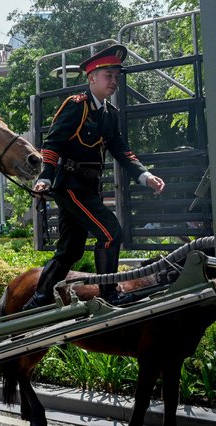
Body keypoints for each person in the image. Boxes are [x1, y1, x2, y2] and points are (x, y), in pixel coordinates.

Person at [24, 44, 165, 310]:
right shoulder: (77, 106)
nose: (113, 81)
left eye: (116, 76)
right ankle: (109, 294)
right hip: (70, 187)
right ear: (92, 78)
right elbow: (52, 143)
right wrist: (45, 177)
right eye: (108, 75)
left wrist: (145, 176)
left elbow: (121, 150)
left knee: (71, 250)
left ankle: (38, 298)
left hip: (88, 188)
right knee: (111, 233)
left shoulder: (110, 114)